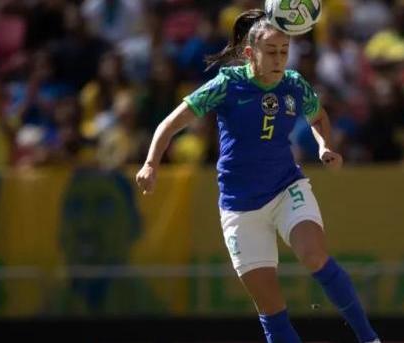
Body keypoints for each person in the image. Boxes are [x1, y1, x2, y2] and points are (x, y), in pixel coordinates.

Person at [135, 9, 380, 343]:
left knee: (314, 256)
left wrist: (324, 146)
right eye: (272, 52)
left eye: (284, 51)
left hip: (285, 188)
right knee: (272, 309)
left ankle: (369, 339)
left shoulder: (293, 84)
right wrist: (151, 163)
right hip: (240, 208)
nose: (280, 59)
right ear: (250, 53)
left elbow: (319, 117)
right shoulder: (227, 85)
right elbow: (170, 124)